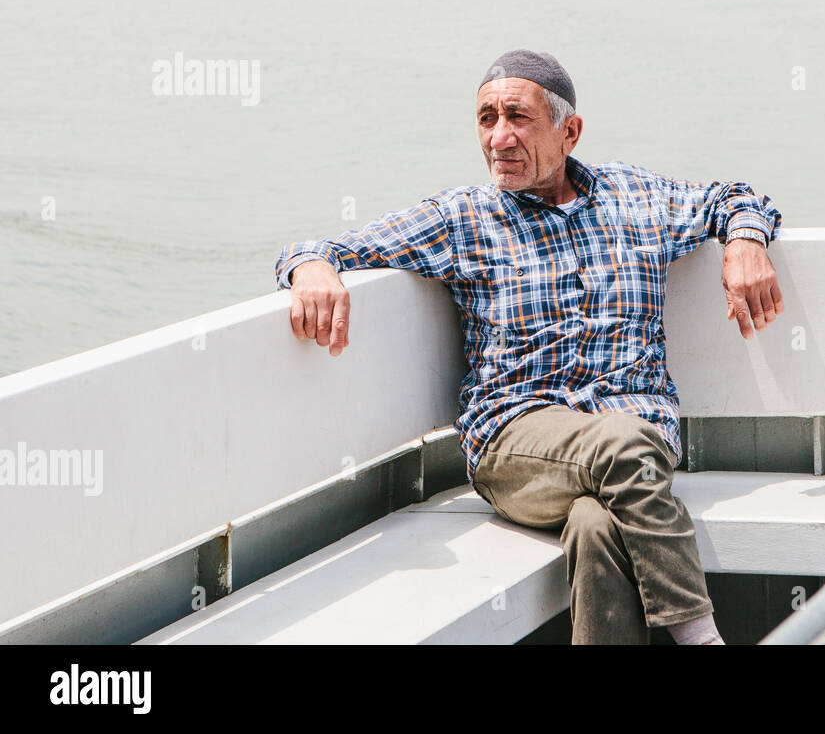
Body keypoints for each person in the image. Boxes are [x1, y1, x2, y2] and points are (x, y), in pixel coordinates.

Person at [275, 49, 784, 644]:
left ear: (570, 132)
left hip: (635, 442)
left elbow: (736, 197)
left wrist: (745, 242)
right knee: (621, 442)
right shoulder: (465, 216)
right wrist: (311, 267)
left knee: (597, 526)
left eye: (518, 117)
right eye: (486, 118)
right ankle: (703, 640)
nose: (499, 137)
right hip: (516, 441)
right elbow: (327, 247)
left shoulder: (637, 199)